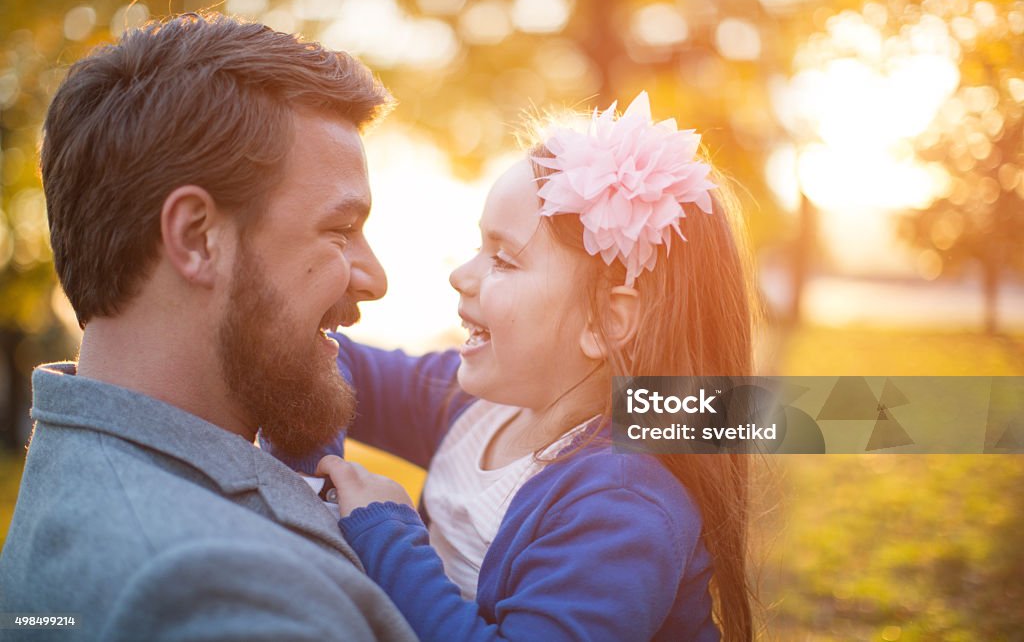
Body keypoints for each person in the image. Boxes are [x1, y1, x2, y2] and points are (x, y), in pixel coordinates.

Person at [273, 92, 757, 641]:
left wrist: (385, 534)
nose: (462, 275)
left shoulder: (620, 507)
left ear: (607, 323)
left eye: (503, 259)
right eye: (479, 247)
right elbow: (323, 361)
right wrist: (310, 478)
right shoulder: (475, 406)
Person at [0, 13, 416, 641]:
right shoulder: (217, 593)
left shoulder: (85, 468)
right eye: (339, 230)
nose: (374, 277)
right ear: (196, 237)